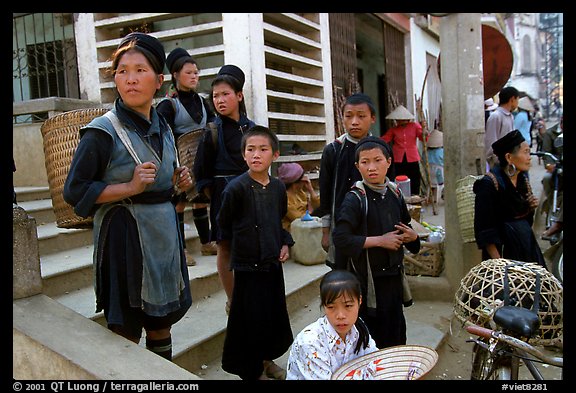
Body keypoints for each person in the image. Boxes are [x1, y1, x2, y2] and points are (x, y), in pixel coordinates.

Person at [63, 32, 192, 360]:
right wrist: (129, 188)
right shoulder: (101, 132)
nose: (131, 79)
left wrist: (178, 181)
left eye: (140, 70)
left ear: (159, 80)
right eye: (123, 71)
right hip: (124, 239)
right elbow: (74, 191)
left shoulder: (162, 124)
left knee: (161, 323)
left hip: (163, 234)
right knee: (127, 328)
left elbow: (163, 180)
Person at [217, 125, 294, 380]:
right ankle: (252, 371)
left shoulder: (279, 188)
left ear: (276, 154)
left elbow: (279, 221)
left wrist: (284, 243)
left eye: (263, 149)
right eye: (251, 149)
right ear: (243, 155)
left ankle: (267, 360)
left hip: (271, 267)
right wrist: (230, 283)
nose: (256, 155)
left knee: (270, 318)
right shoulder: (235, 189)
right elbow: (224, 235)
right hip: (247, 270)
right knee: (249, 323)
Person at [332, 136, 420, 349]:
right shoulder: (355, 198)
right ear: (357, 166)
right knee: (369, 340)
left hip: (393, 280)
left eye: (377, 160)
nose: (372, 167)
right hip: (366, 281)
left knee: (395, 335)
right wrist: (381, 241)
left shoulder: (394, 193)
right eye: (365, 162)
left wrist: (413, 238)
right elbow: (341, 238)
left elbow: (406, 228)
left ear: (389, 162)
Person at [193, 64, 255, 312]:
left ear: (239, 96)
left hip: (252, 197)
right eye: (215, 96)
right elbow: (201, 173)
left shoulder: (253, 129)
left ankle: (251, 294)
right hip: (223, 197)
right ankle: (233, 300)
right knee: (226, 248)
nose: (220, 100)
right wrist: (220, 195)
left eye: (225, 94)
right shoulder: (212, 131)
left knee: (251, 246)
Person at [156, 47, 217, 266]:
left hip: (200, 160)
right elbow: (164, 134)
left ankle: (206, 242)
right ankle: (180, 249)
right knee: (179, 204)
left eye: (196, 73)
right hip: (179, 161)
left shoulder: (202, 101)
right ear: (175, 74)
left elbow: (212, 124)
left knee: (200, 202)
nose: (194, 76)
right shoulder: (168, 104)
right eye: (189, 72)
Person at [315, 93, 376, 269]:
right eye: (348, 116)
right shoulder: (333, 151)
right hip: (342, 226)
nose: (354, 122)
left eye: (361, 116)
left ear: (372, 118)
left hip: (373, 225)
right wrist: (326, 231)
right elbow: (326, 194)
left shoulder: (381, 150)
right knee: (344, 274)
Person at [286, 269, 378, 380]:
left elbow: (375, 360)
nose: (340, 315)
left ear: (359, 301)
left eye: (348, 306)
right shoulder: (310, 343)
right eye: (331, 307)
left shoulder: (359, 328)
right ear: (324, 305)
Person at [473, 130, 546, 267]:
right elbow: (484, 229)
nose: (529, 157)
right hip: (503, 255)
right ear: (509, 157)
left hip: (526, 248)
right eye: (525, 152)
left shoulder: (522, 181)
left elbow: (524, 221)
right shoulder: (488, 184)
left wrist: (529, 208)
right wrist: (500, 264)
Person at [381, 104, 428, 196]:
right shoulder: (394, 130)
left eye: (401, 119)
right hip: (399, 158)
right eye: (398, 120)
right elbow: (385, 139)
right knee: (399, 178)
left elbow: (423, 138)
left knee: (414, 178)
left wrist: (424, 130)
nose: (399, 121)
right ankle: (401, 196)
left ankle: (415, 196)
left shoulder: (415, 126)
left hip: (412, 157)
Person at [277, 162, 320, 231]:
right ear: (295, 183)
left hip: (305, 229)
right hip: (293, 233)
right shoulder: (284, 198)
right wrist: (310, 211)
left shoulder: (300, 193)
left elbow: (318, 206)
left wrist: (311, 190)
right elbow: (298, 219)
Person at [485, 86, 520, 168]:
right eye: (517, 100)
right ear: (512, 99)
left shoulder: (510, 116)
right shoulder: (496, 116)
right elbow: (491, 143)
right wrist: (497, 162)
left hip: (509, 162)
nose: (518, 103)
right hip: (500, 164)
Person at [540, 115, 563, 238]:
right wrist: (550, 165)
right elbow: (546, 154)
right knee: (547, 179)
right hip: (557, 170)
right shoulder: (550, 134)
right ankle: (552, 205)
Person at [426, 129, 444, 201]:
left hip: (429, 174)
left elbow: (424, 161)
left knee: (432, 184)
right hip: (439, 175)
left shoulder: (426, 152)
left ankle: (430, 197)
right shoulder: (441, 152)